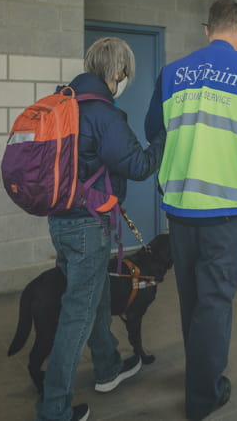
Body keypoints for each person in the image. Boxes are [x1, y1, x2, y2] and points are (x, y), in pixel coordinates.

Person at [144, 0, 237, 420]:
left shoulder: (172, 73)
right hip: (225, 213)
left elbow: (153, 130)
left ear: (207, 29)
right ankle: (202, 397)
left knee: (192, 300)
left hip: (180, 208)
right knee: (214, 304)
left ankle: (198, 376)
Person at [37, 37, 165, 421]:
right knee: (77, 312)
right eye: (127, 73)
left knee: (94, 298)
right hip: (87, 227)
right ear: (119, 73)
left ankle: (108, 367)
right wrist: (164, 136)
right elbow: (139, 166)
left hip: (60, 221)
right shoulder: (103, 114)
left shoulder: (63, 103)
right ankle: (54, 409)